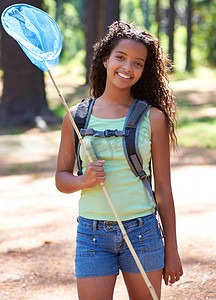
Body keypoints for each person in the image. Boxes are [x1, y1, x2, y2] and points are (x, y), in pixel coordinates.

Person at [55, 21, 183, 300]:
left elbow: (162, 189)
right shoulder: (75, 116)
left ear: (143, 70)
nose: (128, 67)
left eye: (138, 63)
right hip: (92, 234)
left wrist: (171, 250)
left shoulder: (153, 118)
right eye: (121, 57)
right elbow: (61, 179)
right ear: (105, 60)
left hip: (143, 231)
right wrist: (83, 180)